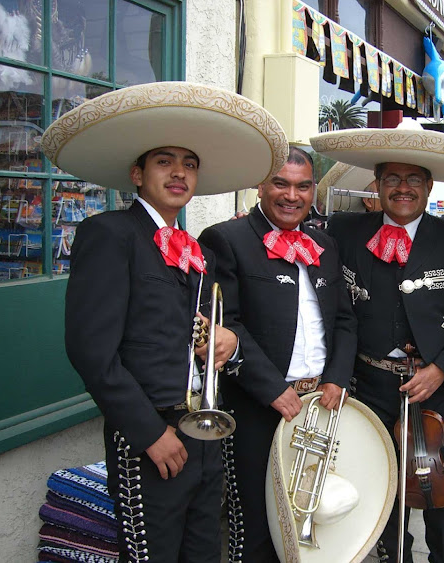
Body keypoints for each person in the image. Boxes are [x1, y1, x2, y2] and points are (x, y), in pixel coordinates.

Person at [42, 82, 289, 562]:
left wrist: (223, 339)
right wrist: (149, 433)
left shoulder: (196, 250)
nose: (179, 173)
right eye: (164, 162)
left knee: (202, 554)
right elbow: (91, 352)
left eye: (189, 164)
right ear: (137, 174)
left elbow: (200, 327)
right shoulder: (110, 234)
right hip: (148, 433)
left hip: (204, 432)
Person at [311, 121, 444, 562]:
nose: (402, 188)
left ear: (430, 186)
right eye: (392, 178)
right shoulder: (344, 230)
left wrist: (442, 370)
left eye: (413, 179)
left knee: (438, 487)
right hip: (367, 383)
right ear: (376, 183)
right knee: (381, 483)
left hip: (434, 385)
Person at [198, 146, 357, 562]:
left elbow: (343, 320)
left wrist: (337, 378)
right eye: (280, 184)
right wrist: (271, 388)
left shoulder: (324, 243)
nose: (292, 195)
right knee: (256, 526)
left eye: (303, 186)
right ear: (260, 185)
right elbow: (226, 324)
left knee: (311, 515)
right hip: (257, 407)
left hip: (320, 402)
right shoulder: (225, 238)